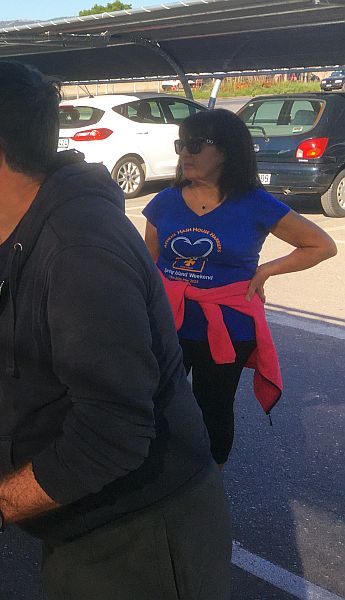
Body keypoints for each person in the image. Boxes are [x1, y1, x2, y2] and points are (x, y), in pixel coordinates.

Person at [0, 61, 232, 599]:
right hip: (87, 522)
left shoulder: (79, 252)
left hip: (139, 540)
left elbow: (113, 432)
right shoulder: (20, 213)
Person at [143, 109, 336, 467]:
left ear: (227, 151)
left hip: (228, 326)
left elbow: (321, 245)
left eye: (196, 145)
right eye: (181, 144)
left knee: (214, 407)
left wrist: (266, 271)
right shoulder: (164, 202)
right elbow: (149, 263)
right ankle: (162, 473)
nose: (185, 153)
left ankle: (210, 478)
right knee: (157, 400)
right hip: (170, 322)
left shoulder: (254, 203)